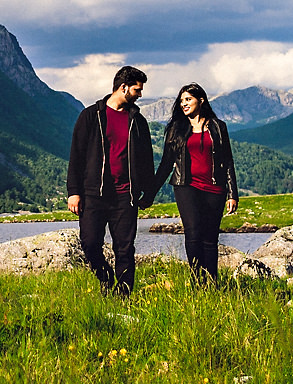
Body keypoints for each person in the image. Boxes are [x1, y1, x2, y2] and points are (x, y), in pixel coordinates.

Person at [65, 65, 153, 296]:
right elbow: (77, 155)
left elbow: (146, 159)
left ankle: (123, 296)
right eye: (137, 89)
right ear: (123, 88)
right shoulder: (90, 116)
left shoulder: (138, 121)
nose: (140, 94)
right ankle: (105, 279)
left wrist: (149, 192)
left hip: (126, 196)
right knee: (90, 244)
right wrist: (74, 191)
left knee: (124, 249)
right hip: (94, 194)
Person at [150, 83, 239, 283]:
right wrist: (150, 193)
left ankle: (212, 283)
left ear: (201, 100)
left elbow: (227, 161)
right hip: (186, 187)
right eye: (181, 101)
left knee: (210, 238)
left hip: (215, 189)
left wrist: (233, 193)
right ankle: (198, 282)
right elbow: (166, 164)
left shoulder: (217, 126)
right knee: (193, 233)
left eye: (188, 99)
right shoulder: (176, 128)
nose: (184, 104)